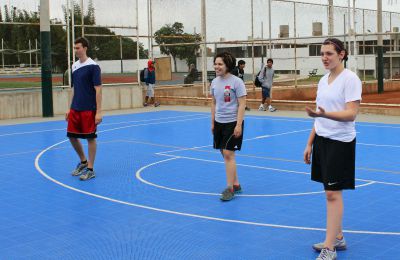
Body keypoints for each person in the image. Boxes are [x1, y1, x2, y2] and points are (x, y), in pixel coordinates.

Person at [303, 38, 362, 260]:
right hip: (323, 140)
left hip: (341, 142)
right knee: (328, 191)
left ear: (342, 54)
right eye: (322, 54)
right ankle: (337, 237)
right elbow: (318, 116)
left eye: (329, 53)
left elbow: (351, 114)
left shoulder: (350, 79)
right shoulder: (323, 80)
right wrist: (310, 143)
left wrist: (323, 114)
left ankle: (330, 247)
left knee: (332, 193)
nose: (325, 58)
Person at [211, 52, 247, 201]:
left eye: (220, 64)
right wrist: (212, 122)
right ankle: (236, 184)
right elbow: (213, 103)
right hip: (219, 122)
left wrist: (238, 125)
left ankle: (230, 189)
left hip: (232, 123)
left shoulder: (237, 82)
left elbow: (242, 103)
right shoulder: (214, 82)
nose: (217, 66)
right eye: (216, 63)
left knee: (228, 154)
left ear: (227, 66)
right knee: (225, 154)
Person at [66, 37, 102, 181]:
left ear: (85, 48)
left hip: (89, 108)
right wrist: (69, 108)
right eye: (74, 48)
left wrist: (99, 111)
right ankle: (83, 161)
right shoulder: (74, 67)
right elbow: (74, 89)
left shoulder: (93, 66)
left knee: (90, 138)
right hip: (76, 108)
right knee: (71, 136)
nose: (76, 50)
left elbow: (98, 90)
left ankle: (90, 168)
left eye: (78, 48)